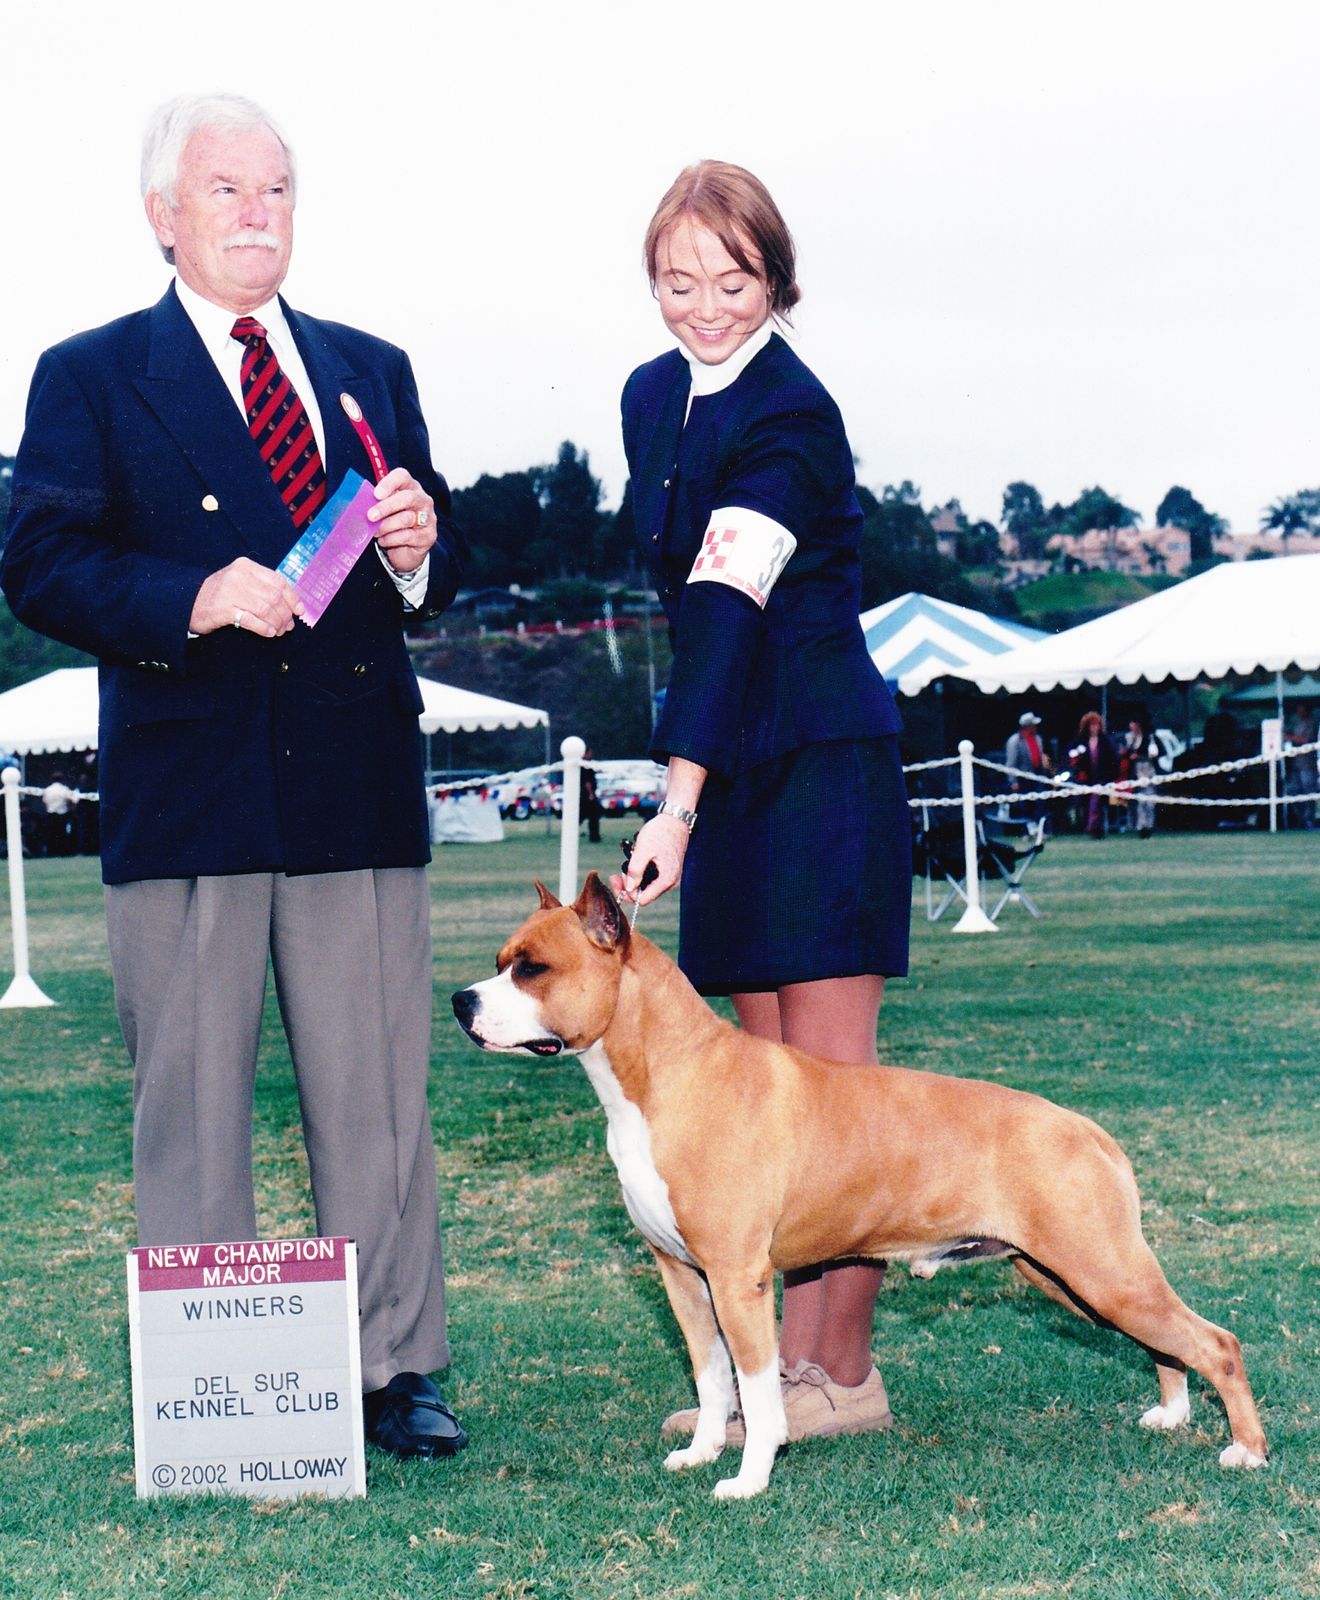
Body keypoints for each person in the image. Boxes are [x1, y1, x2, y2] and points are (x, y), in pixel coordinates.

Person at [1, 94, 468, 1461]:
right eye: (226, 191)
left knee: (377, 1102)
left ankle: (394, 1368)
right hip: (191, 789)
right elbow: (39, 563)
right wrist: (193, 596)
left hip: (353, 784)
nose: (258, 214)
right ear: (163, 216)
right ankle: (218, 1382)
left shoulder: (370, 367)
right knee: (193, 1107)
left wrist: (419, 551)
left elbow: (428, 566)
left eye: (276, 190)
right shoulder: (89, 375)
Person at [614, 161, 910, 1443]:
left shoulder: (794, 413)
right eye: (677, 282)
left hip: (821, 767)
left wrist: (674, 801)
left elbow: (728, 602)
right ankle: (774, 1368)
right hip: (732, 767)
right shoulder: (649, 397)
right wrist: (698, 785)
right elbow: (685, 611)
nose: (704, 308)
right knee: (761, 1109)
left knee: (840, 1105)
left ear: (777, 280)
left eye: (732, 282)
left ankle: (840, 1372)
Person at [1069, 711, 1118, 837]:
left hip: (1102, 778)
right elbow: (1073, 759)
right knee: (1088, 804)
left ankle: (1095, 827)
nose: (1094, 727)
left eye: (1096, 725)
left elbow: (1113, 758)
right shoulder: (1080, 741)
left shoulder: (1105, 741)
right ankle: (1092, 827)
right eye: (1091, 725)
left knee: (1097, 803)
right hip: (1086, 778)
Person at [1003, 710, 1052, 820]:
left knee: (1039, 803)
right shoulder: (1014, 741)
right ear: (1027, 726)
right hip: (1023, 778)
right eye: (1033, 725)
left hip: (1037, 775)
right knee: (1025, 806)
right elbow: (1011, 763)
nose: (1035, 727)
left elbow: (1040, 754)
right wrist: (1013, 781)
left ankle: (1038, 826)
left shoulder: (1038, 738)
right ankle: (1027, 827)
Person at [1119, 713, 1161, 838]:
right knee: (1138, 801)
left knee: (1149, 800)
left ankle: (1149, 826)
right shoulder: (1128, 738)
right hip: (1134, 773)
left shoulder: (1149, 737)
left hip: (1148, 770)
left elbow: (1156, 754)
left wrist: (1140, 756)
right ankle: (1139, 826)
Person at [1284, 700, 1318, 829]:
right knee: (1292, 790)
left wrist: (1289, 737)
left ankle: (1309, 820)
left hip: (1308, 764)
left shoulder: (1312, 723)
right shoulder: (1297, 723)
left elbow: (1306, 740)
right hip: (1296, 764)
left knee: (1308, 791)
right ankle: (1300, 818)